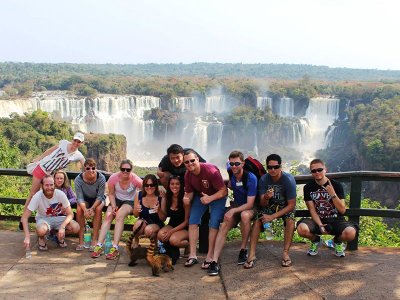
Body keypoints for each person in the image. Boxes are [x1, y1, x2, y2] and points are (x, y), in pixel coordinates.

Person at [208, 150, 257, 276]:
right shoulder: (231, 172)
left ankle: (243, 249)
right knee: (224, 225)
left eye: (237, 164)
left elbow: (250, 204)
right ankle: (214, 261)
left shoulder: (251, 178)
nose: (234, 166)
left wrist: (233, 210)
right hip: (236, 206)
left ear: (243, 163)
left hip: (250, 207)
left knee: (244, 216)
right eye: (231, 164)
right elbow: (231, 184)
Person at [21, 132, 85, 229]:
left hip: (50, 175)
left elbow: (86, 166)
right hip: (42, 168)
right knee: (33, 194)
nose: (76, 143)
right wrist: (38, 158)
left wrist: (96, 173)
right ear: (72, 139)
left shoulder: (78, 155)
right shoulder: (64, 143)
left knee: (47, 196)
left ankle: (46, 223)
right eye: (75, 140)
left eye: (79, 142)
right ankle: (23, 219)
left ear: (82, 143)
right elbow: (50, 150)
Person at [297, 159, 358, 257]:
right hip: (318, 221)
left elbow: (342, 210)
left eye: (319, 169)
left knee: (351, 233)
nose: (317, 172)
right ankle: (315, 240)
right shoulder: (308, 187)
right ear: (311, 173)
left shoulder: (336, 185)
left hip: (336, 220)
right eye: (313, 171)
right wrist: (320, 225)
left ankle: (337, 241)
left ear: (325, 169)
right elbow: (312, 210)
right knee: (301, 229)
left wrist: (332, 194)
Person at [244, 154, 296, 269]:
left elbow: (292, 205)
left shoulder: (288, 179)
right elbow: (263, 204)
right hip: (271, 205)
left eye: (276, 167)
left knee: (290, 221)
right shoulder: (263, 179)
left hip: (285, 206)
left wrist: (273, 216)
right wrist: (266, 197)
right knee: (257, 220)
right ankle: (251, 254)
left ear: (280, 167)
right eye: (270, 167)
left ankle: (285, 253)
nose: (273, 170)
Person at [182, 150, 228, 269]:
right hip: (201, 196)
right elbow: (190, 193)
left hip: (217, 196)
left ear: (197, 159)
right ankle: (192, 255)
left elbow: (224, 191)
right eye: (186, 162)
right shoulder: (188, 174)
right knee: (193, 221)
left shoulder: (211, 171)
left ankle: (210, 256)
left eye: (192, 160)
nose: (190, 163)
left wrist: (210, 198)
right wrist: (186, 198)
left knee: (213, 223)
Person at [91, 160, 143, 259]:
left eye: (128, 170)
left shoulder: (135, 179)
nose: (125, 172)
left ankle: (115, 248)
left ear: (131, 170)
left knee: (119, 216)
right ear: (120, 169)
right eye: (123, 169)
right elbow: (111, 193)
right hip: (116, 200)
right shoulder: (113, 178)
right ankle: (99, 246)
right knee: (108, 216)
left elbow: (147, 187)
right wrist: (114, 206)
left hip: (130, 201)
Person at [21, 175, 80, 251]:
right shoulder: (37, 196)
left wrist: (62, 227)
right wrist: (27, 237)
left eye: (51, 185)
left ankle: (56, 235)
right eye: (46, 185)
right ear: (42, 186)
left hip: (59, 218)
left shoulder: (60, 194)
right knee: (41, 230)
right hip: (44, 219)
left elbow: (70, 214)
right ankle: (41, 238)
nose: (49, 187)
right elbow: (25, 217)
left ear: (54, 185)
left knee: (76, 227)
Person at [74, 158, 106, 251]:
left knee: (98, 209)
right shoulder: (78, 179)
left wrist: (92, 208)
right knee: (79, 209)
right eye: (88, 168)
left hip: (98, 199)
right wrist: (85, 210)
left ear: (96, 168)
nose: (91, 170)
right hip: (85, 199)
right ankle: (80, 241)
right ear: (84, 169)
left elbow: (100, 196)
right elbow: (79, 198)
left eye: (93, 168)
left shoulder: (101, 178)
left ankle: (94, 240)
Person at [157, 175, 190, 263]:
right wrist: (159, 209)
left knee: (173, 240)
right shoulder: (167, 197)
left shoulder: (185, 199)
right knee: (160, 235)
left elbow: (186, 221)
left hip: (185, 227)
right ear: (169, 185)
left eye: (177, 184)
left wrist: (171, 232)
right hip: (172, 224)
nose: (174, 186)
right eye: (172, 184)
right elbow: (163, 218)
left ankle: (189, 244)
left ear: (181, 185)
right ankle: (172, 252)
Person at [131, 174, 166, 251]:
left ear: (156, 185)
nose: (149, 187)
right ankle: (136, 242)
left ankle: (155, 245)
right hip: (144, 221)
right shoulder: (139, 195)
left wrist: (159, 210)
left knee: (148, 230)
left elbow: (163, 219)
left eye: (152, 185)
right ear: (144, 186)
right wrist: (137, 209)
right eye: (146, 185)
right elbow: (135, 215)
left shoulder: (161, 196)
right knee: (137, 225)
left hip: (157, 223)